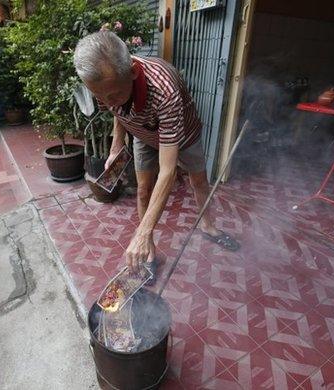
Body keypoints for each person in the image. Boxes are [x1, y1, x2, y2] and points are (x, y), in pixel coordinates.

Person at [74, 31, 239, 283]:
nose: (107, 102)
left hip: (183, 135)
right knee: (143, 190)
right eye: (100, 96)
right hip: (142, 132)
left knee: (198, 182)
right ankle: (149, 252)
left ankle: (207, 225)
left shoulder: (164, 89)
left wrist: (140, 232)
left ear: (132, 72)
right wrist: (116, 145)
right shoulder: (107, 85)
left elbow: (168, 171)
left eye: (114, 94)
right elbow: (118, 110)